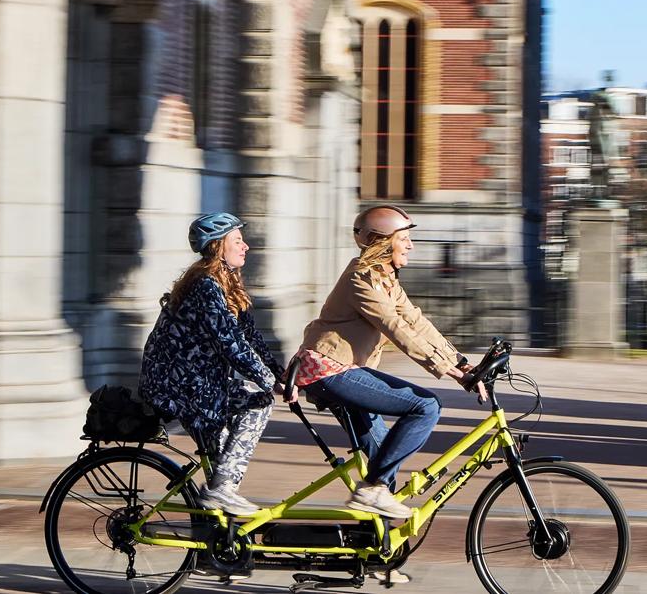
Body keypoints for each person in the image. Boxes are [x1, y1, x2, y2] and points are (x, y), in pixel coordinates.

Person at [294, 205, 483, 521]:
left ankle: (374, 541)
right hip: (328, 369)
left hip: (347, 370)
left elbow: (414, 321)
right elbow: (394, 327)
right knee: (425, 406)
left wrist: (461, 362)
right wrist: (448, 371)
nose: (411, 245)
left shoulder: (385, 279)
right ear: (382, 241)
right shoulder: (360, 279)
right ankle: (372, 491)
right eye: (404, 238)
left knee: (384, 464)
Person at [139, 213, 283, 517]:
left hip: (198, 384)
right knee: (259, 401)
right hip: (178, 386)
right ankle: (222, 491)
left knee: (221, 467)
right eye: (237, 240)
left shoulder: (226, 283)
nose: (246, 246)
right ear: (218, 246)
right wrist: (269, 382)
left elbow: (249, 337)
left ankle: (216, 533)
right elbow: (229, 343)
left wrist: (280, 374)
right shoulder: (205, 285)